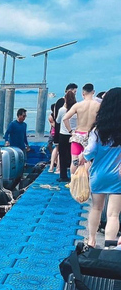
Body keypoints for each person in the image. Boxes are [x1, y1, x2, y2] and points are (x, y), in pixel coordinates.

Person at [79, 87, 121, 248]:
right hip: (118, 176)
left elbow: (90, 151)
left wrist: (81, 158)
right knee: (113, 214)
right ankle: (109, 247)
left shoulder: (98, 130)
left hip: (99, 174)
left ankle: (91, 240)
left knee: (96, 208)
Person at [63, 83, 100, 176]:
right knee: (88, 160)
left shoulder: (78, 105)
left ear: (83, 93)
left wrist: (71, 131)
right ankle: (87, 183)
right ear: (93, 92)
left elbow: (65, 118)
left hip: (78, 134)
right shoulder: (98, 106)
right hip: (90, 135)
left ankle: (73, 182)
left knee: (75, 160)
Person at [53, 83, 78, 172]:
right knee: (74, 155)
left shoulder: (62, 109)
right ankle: (73, 173)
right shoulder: (77, 108)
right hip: (74, 134)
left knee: (63, 155)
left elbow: (58, 120)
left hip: (63, 134)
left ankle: (63, 175)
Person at [48, 104, 58, 172]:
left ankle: (55, 161)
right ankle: (54, 159)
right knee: (50, 145)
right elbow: (53, 125)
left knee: (57, 148)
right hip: (53, 132)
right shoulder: (51, 116)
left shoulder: (58, 115)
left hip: (55, 132)